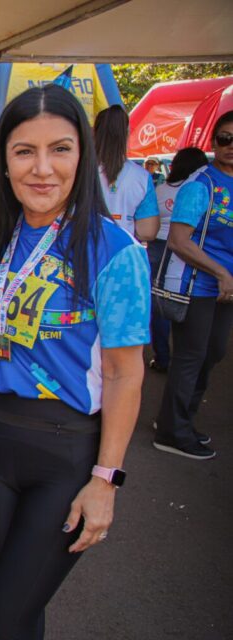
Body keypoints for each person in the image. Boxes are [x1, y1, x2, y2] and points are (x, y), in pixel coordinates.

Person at [0, 84, 150, 640]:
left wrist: (107, 480)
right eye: (24, 152)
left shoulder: (114, 250)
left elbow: (125, 373)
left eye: (60, 149)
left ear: (85, 154)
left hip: (67, 454)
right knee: (22, 594)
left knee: (6, 610)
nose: (42, 168)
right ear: (2, 160)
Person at [153, 112, 233, 460]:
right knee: (190, 357)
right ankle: (172, 431)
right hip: (196, 286)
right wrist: (220, 272)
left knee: (213, 353)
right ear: (213, 142)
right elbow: (179, 240)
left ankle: (180, 419)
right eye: (224, 139)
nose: (230, 146)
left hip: (224, 289)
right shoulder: (201, 184)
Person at [148, 147, 209, 372]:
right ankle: (187, 359)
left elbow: (148, 222)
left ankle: (163, 358)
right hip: (192, 249)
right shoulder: (202, 189)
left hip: (157, 247)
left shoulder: (160, 189)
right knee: (192, 300)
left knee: (161, 304)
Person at [94, 105, 159, 242]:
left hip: (79, 254)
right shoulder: (141, 177)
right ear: (127, 133)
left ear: (94, 132)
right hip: (122, 254)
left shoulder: (76, 170)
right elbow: (147, 232)